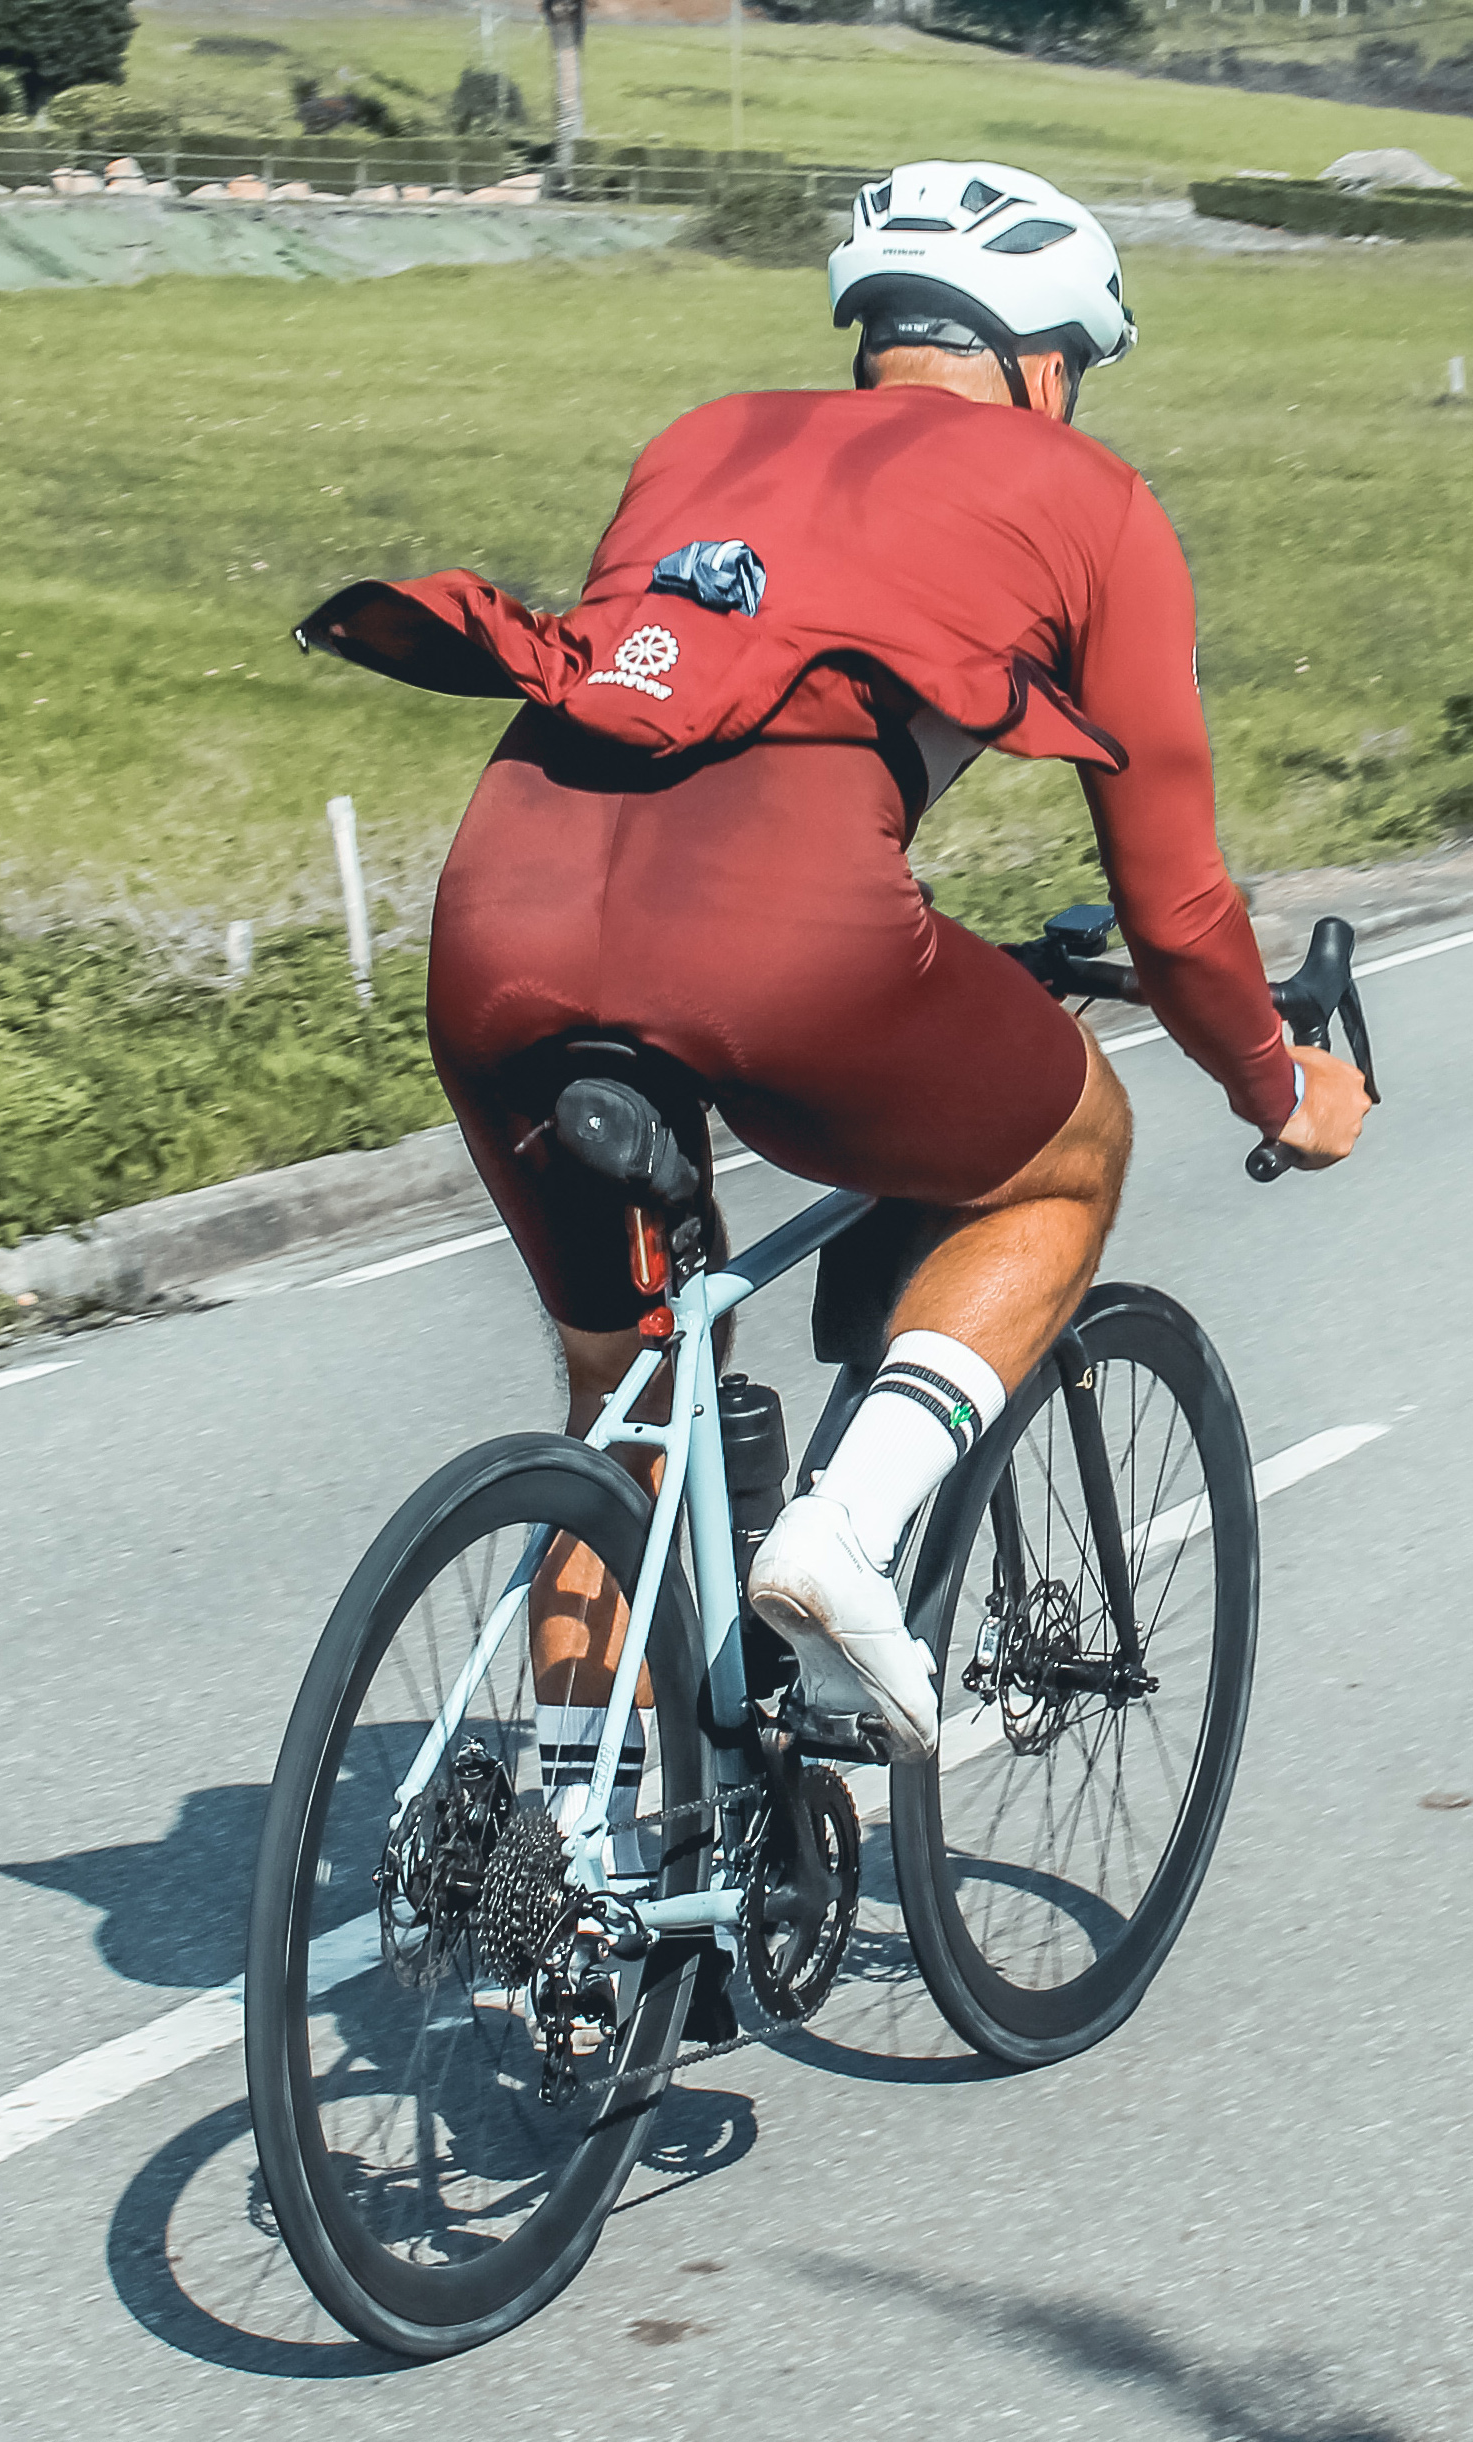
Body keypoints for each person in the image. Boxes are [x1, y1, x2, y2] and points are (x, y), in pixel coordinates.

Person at [297, 160, 1370, 1773]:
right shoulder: (1091, 502)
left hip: (499, 917)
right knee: (1065, 1157)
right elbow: (1172, 901)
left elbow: (688, 721)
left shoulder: (701, 440)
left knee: (629, 1396)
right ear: (1040, 363)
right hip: (781, 940)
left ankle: (579, 1864)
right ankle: (847, 1533)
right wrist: (1277, 1082)